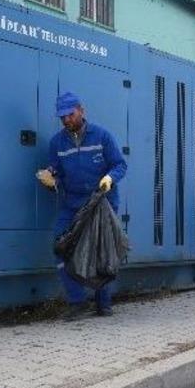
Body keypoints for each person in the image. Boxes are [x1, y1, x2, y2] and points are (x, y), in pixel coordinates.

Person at [38, 92, 127, 320]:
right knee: (61, 247)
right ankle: (77, 303)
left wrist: (110, 178)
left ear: (81, 111)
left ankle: (103, 303)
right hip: (73, 205)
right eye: (62, 117)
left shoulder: (101, 136)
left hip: (101, 203)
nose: (66, 120)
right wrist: (50, 179)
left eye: (70, 114)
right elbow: (55, 170)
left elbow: (119, 164)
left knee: (101, 252)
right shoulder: (57, 143)